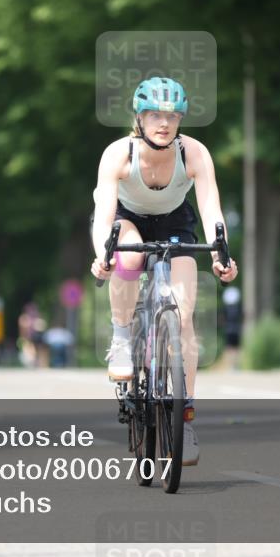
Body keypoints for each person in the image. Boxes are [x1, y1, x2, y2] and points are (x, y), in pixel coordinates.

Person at [91, 76, 239, 467]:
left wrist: (220, 254)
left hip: (175, 223)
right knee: (130, 258)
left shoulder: (194, 153)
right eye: (155, 114)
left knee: (184, 316)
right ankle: (122, 337)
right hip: (128, 221)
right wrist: (101, 254)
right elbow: (104, 214)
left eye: (172, 116)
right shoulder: (118, 155)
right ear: (138, 118)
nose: (164, 123)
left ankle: (184, 420)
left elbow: (210, 209)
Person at [220, 285, 243, 370]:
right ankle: (235, 365)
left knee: (229, 348)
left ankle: (230, 366)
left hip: (228, 330)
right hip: (236, 329)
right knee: (236, 349)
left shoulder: (225, 308)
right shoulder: (238, 307)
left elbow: (222, 319)